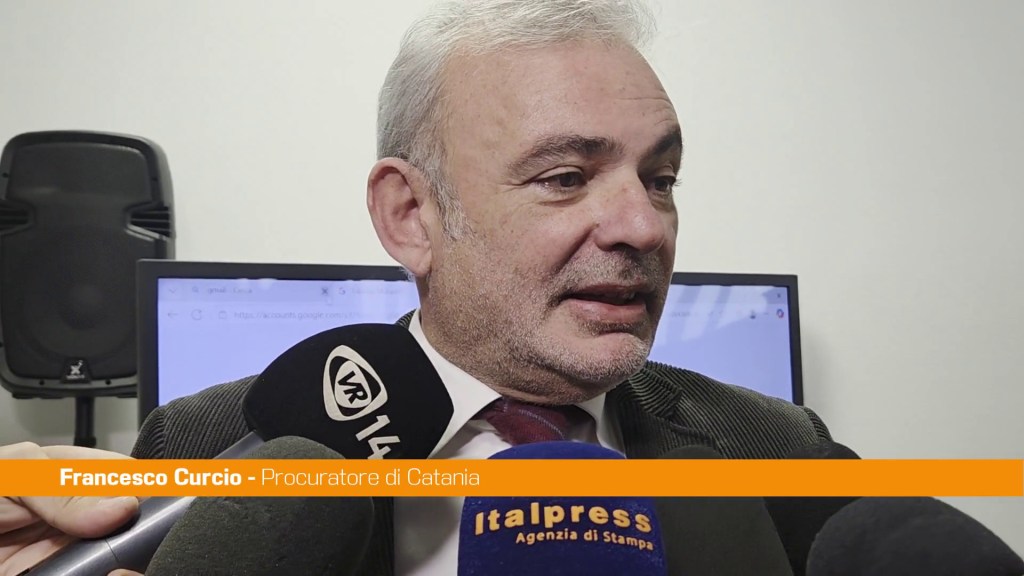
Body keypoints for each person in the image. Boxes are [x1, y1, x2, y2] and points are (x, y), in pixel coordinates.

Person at [0, 1, 834, 575]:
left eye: (661, 179)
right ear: (410, 216)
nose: (644, 227)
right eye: (565, 177)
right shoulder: (206, 444)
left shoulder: (775, 449)